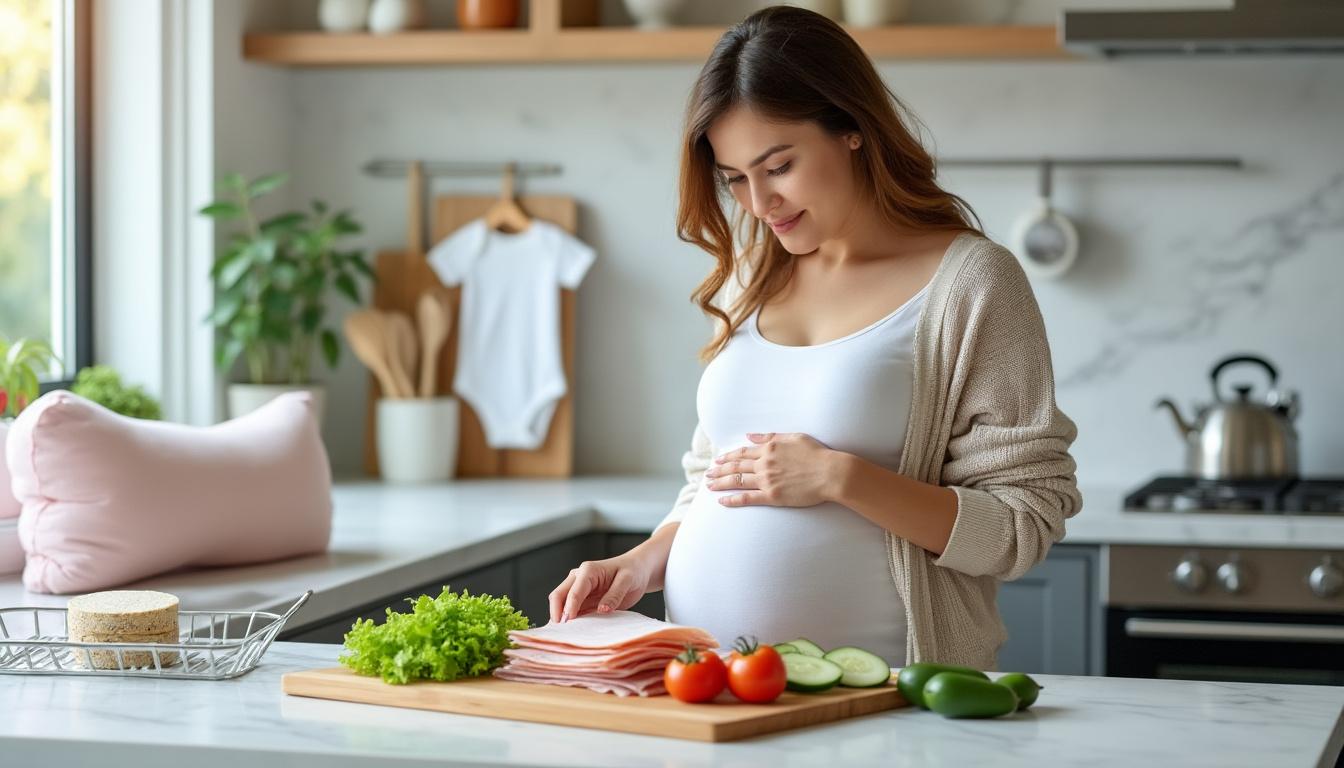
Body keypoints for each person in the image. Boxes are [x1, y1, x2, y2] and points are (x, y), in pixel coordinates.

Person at [547, 6, 1081, 669]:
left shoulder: (970, 283)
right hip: (713, 688)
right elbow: (714, 481)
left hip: (890, 696)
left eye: (778, 166)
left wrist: (839, 477)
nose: (758, 203)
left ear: (851, 128)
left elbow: (1022, 525)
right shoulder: (749, 276)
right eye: (735, 179)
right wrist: (639, 563)